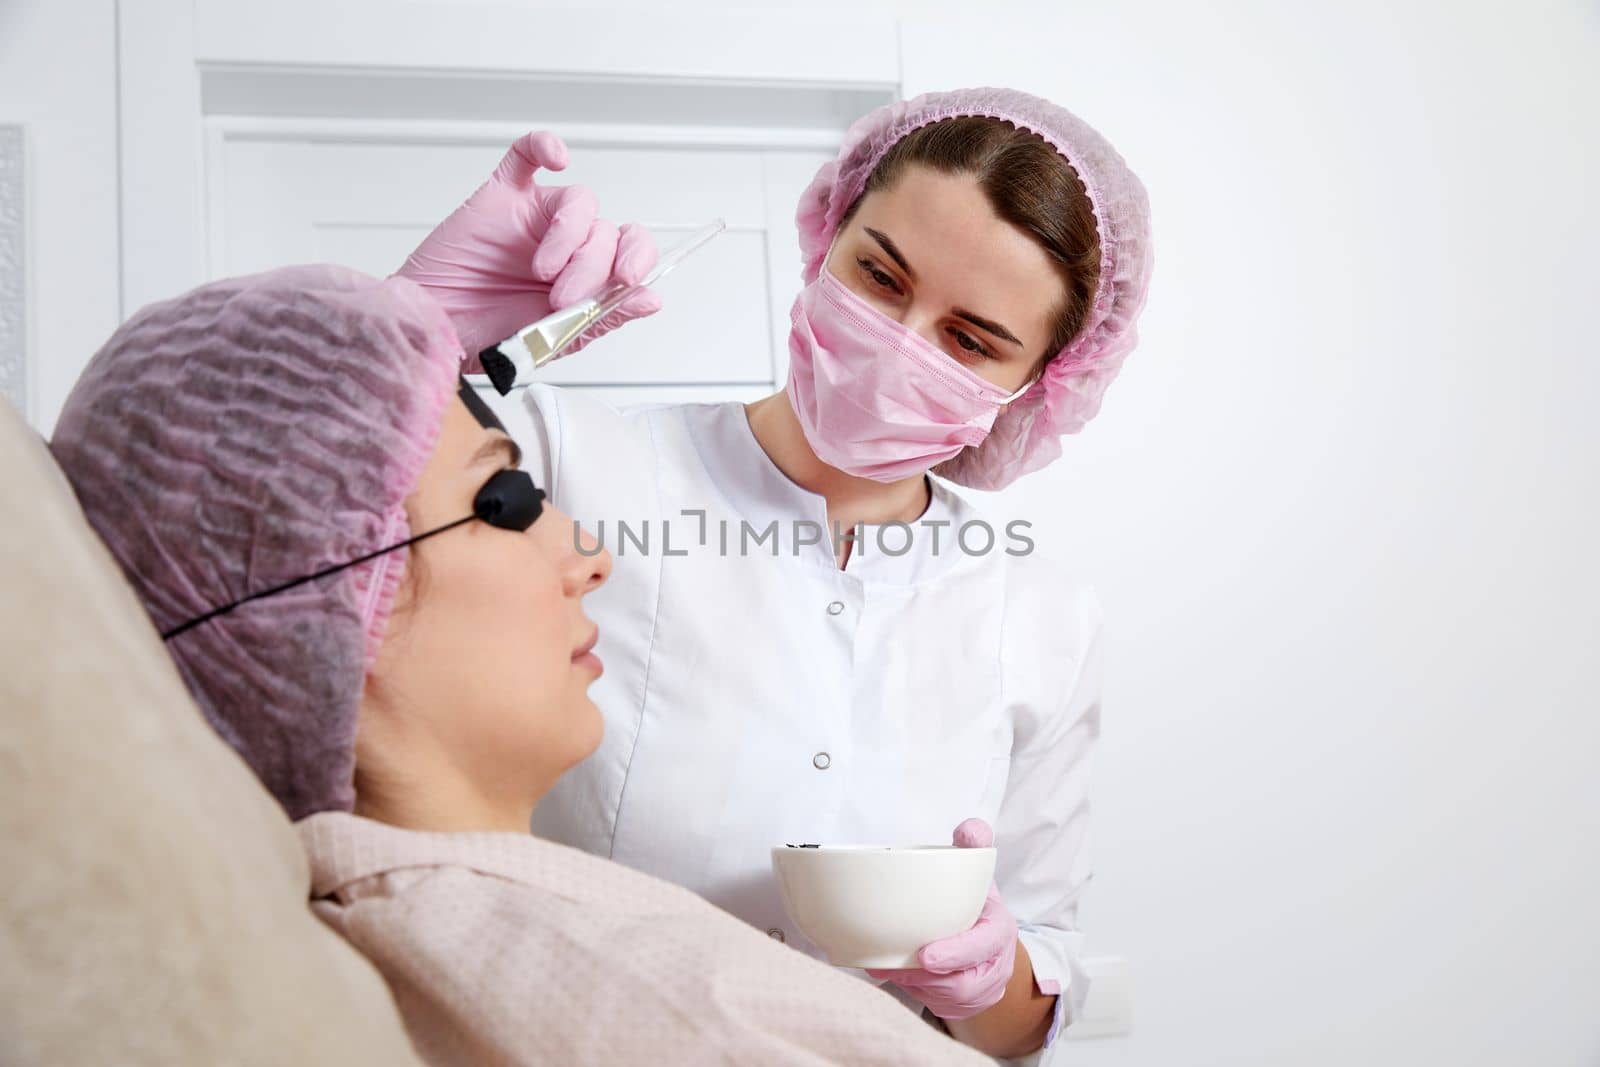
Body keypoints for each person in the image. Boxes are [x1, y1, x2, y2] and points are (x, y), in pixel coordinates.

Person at [47, 264, 991, 1067]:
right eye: (504, 498)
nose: (590, 556)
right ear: (315, 605)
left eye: (976, 338)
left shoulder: (412, 925)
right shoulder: (677, 1009)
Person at [394, 87, 1154, 1062]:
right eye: (878, 276)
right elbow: (260, 534)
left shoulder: (1042, 616)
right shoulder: (562, 467)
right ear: (825, 239)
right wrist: (408, 334)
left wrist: (985, 975)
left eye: (970, 339)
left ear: (1041, 384)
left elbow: (1029, 1001)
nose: (898, 342)